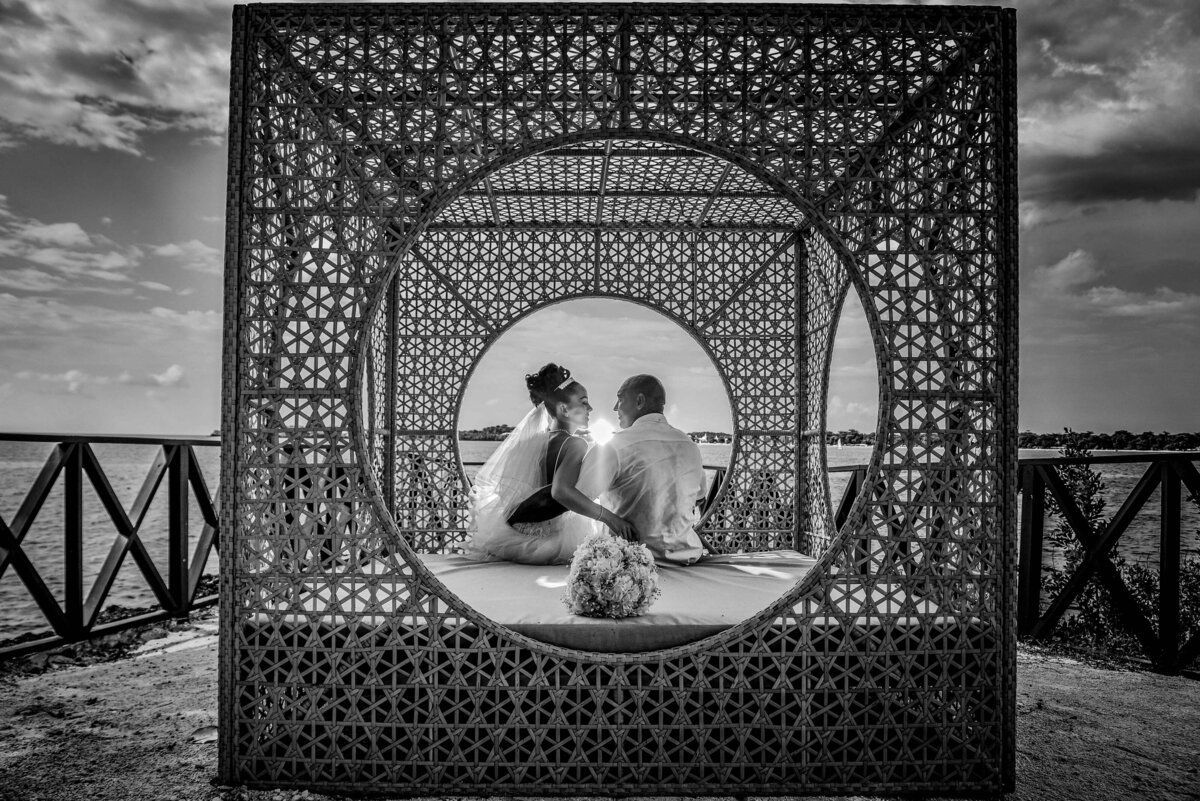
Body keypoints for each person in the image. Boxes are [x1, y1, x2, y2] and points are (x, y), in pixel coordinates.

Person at [466, 363, 636, 564]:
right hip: (554, 541)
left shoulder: (529, 442)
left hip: (516, 537)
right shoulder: (574, 443)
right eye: (583, 402)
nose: (590, 408)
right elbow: (561, 492)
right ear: (564, 409)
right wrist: (609, 517)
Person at [578, 374, 708, 565]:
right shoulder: (689, 445)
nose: (615, 407)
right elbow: (700, 498)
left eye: (620, 399)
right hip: (685, 558)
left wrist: (610, 518)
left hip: (628, 561)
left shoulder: (615, 445)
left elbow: (578, 496)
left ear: (639, 401)